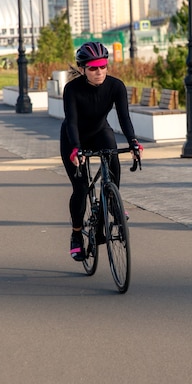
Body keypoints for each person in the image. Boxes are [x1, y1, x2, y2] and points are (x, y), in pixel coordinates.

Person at [60, 41, 143, 262]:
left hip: (99, 131)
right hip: (74, 136)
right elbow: (72, 122)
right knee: (80, 189)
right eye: (93, 68)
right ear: (82, 69)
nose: (99, 72)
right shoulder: (72, 90)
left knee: (112, 156)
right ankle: (77, 235)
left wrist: (133, 142)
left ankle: (113, 204)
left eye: (103, 67)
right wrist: (76, 149)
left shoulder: (116, 86)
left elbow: (124, 118)